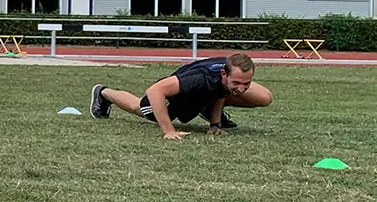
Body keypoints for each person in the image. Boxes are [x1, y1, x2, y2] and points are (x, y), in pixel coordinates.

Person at [89, 53, 272, 139]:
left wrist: (215, 125)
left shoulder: (227, 77)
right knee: (140, 107)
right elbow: (155, 90)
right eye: (237, 83)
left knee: (264, 97)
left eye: (246, 83)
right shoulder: (199, 79)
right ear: (224, 74)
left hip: (200, 95)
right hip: (173, 96)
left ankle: (206, 109)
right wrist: (169, 130)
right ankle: (104, 93)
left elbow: (220, 92)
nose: (241, 89)